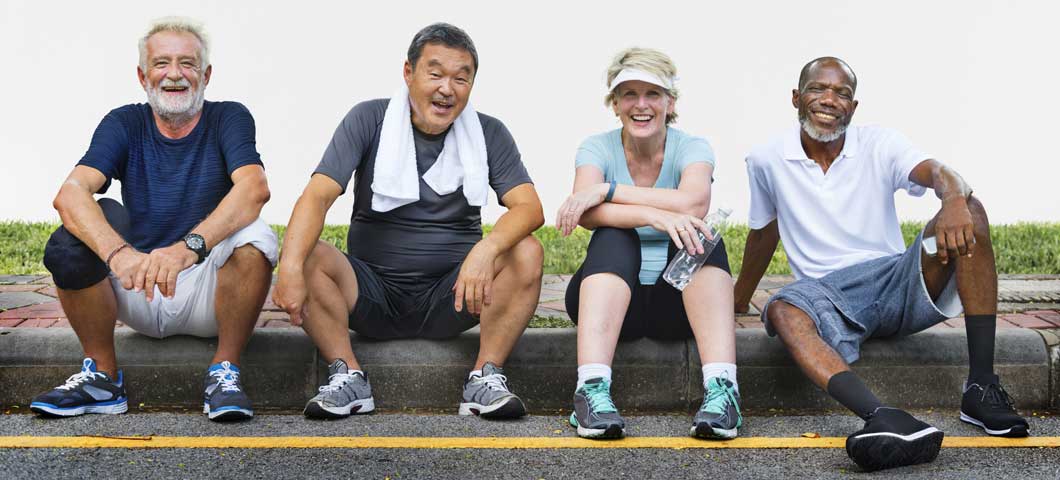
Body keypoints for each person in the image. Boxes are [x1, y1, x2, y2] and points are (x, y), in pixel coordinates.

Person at [734, 57, 1028, 471]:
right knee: (782, 308)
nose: (830, 99)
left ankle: (981, 388)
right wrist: (739, 297)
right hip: (826, 296)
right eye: (819, 89)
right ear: (797, 98)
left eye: (843, 93)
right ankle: (883, 418)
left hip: (896, 281)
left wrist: (954, 198)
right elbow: (765, 232)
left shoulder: (880, 143)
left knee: (971, 212)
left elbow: (940, 172)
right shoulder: (766, 158)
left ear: (853, 108)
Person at [274, 23, 544, 420]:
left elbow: (529, 208)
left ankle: (484, 378)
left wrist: (486, 249)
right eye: (435, 74)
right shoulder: (369, 119)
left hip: (452, 295)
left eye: (460, 78)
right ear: (408, 73)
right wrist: (290, 267)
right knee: (309, 254)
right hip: (370, 292)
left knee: (526, 251)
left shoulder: (489, 132)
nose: (447, 89)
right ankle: (347, 376)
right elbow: (318, 194)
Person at [31, 17, 277, 422]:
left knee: (256, 234)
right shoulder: (124, 122)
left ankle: (225, 372)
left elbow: (254, 189)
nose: (175, 75)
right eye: (162, 63)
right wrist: (119, 255)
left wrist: (187, 249)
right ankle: (103, 379)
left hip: (208, 292)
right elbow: (70, 194)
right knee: (74, 235)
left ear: (206, 75)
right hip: (139, 286)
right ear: (143, 75)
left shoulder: (229, 117)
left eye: (188, 63)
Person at [555, 48, 740, 440]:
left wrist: (608, 191)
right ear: (615, 103)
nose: (641, 105)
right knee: (613, 235)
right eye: (629, 94)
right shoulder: (596, 147)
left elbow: (694, 202)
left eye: (652, 94)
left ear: (670, 102)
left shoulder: (692, 147)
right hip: (610, 304)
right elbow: (584, 212)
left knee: (699, 235)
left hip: (678, 306)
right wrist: (653, 215)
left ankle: (723, 391)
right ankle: (590, 391)